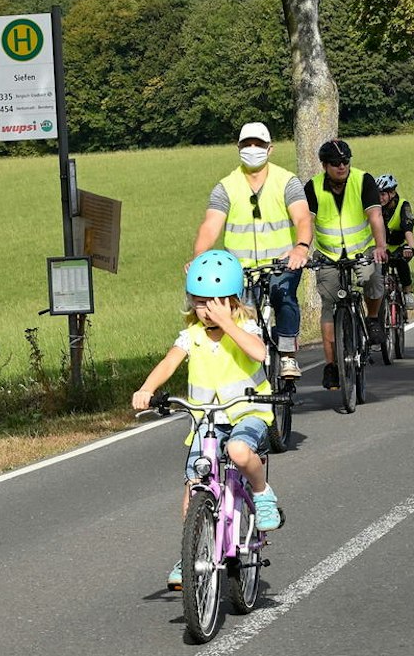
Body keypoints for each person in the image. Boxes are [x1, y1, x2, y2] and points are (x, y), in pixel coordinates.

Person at [131, 250, 282, 589]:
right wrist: (146, 389)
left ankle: (262, 493)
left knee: (241, 452)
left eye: (214, 302)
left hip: (248, 413)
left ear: (232, 300)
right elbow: (169, 363)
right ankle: (192, 550)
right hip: (206, 422)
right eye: (199, 302)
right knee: (194, 484)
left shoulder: (244, 326)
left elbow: (259, 352)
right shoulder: (192, 335)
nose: (206, 310)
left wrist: (229, 324)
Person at [192, 122, 316, 382]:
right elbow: (210, 226)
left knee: (285, 299)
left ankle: (287, 355)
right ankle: (243, 366)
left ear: (270, 149)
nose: (252, 149)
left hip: (281, 263)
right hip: (239, 268)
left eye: (258, 145)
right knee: (243, 315)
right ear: (238, 148)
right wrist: (199, 258)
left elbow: (303, 219)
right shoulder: (226, 186)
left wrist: (300, 248)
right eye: (246, 144)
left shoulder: (287, 181)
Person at [308, 139, 389, 389]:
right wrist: (302, 249)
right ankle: (332, 366)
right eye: (335, 163)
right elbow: (306, 221)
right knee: (329, 304)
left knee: (373, 278)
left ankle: (373, 317)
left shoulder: (363, 180)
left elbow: (374, 215)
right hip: (328, 253)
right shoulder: (312, 187)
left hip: (361, 248)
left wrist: (380, 246)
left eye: (346, 161)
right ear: (324, 165)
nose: (342, 166)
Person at [376, 174, 414, 304]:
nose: (380, 198)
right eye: (378, 195)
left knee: (401, 263)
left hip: (399, 245)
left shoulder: (403, 205)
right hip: (382, 246)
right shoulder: (375, 208)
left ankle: (407, 291)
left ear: (392, 193)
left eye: (383, 194)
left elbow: (408, 229)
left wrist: (410, 247)